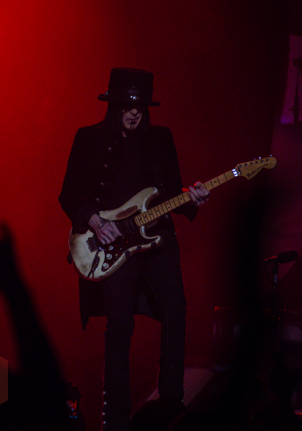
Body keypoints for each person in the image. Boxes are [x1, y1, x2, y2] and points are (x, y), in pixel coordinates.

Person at [59, 68, 210, 431]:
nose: (134, 113)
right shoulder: (88, 138)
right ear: (113, 106)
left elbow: (172, 190)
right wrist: (95, 221)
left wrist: (192, 198)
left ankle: (171, 408)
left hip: (157, 240)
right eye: (127, 106)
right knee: (119, 326)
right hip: (114, 245)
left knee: (176, 313)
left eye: (140, 106)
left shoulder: (160, 138)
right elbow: (68, 194)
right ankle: (115, 420)